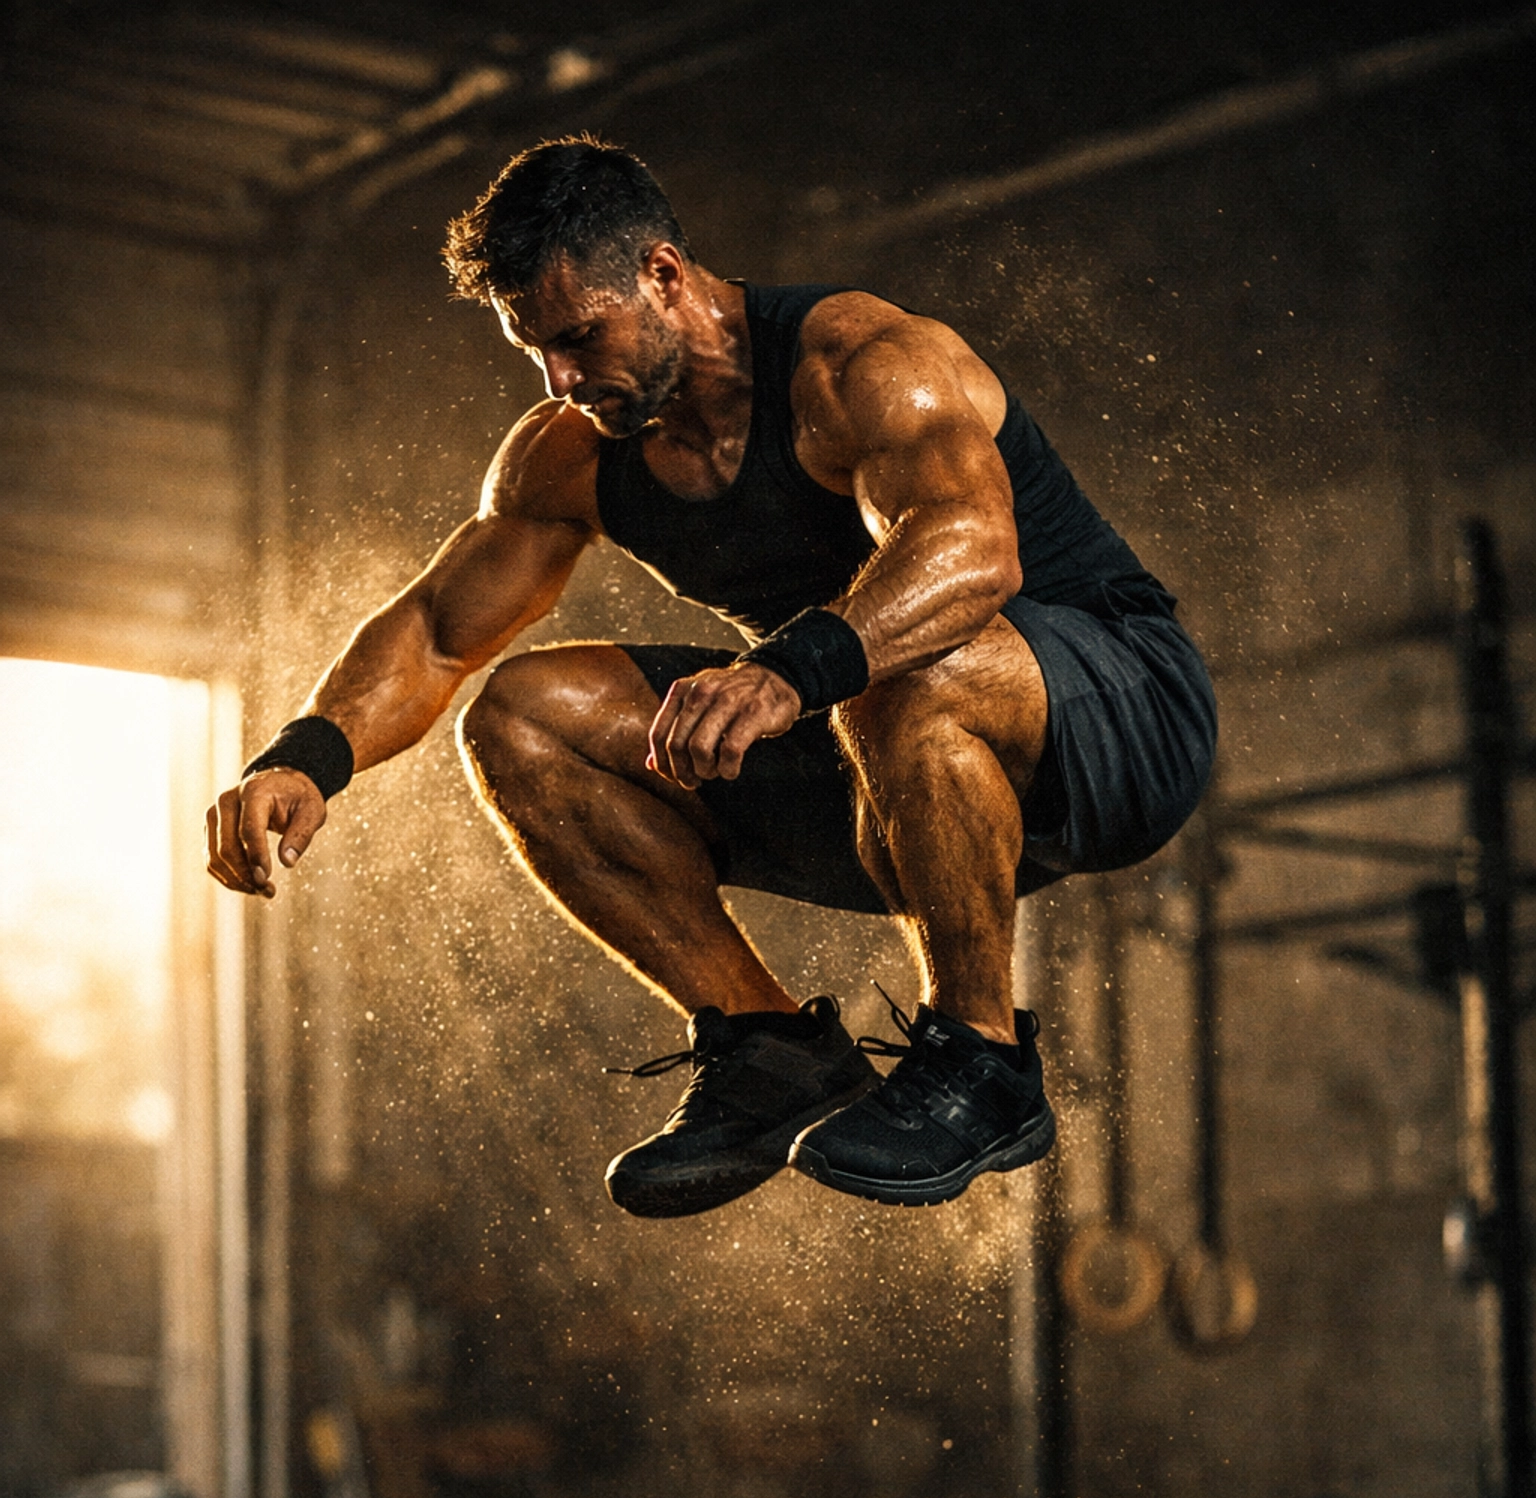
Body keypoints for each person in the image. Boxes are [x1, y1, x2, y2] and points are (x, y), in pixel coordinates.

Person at [207, 137, 1216, 1219]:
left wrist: (786, 672)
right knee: (523, 717)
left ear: (663, 275)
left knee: (897, 666)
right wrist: (305, 759)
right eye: (535, 350)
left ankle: (985, 1060)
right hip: (890, 768)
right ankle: (771, 1052)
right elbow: (437, 633)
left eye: (579, 337)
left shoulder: (861, 363)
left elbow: (970, 551)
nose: (560, 380)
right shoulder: (570, 453)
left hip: (1117, 719)